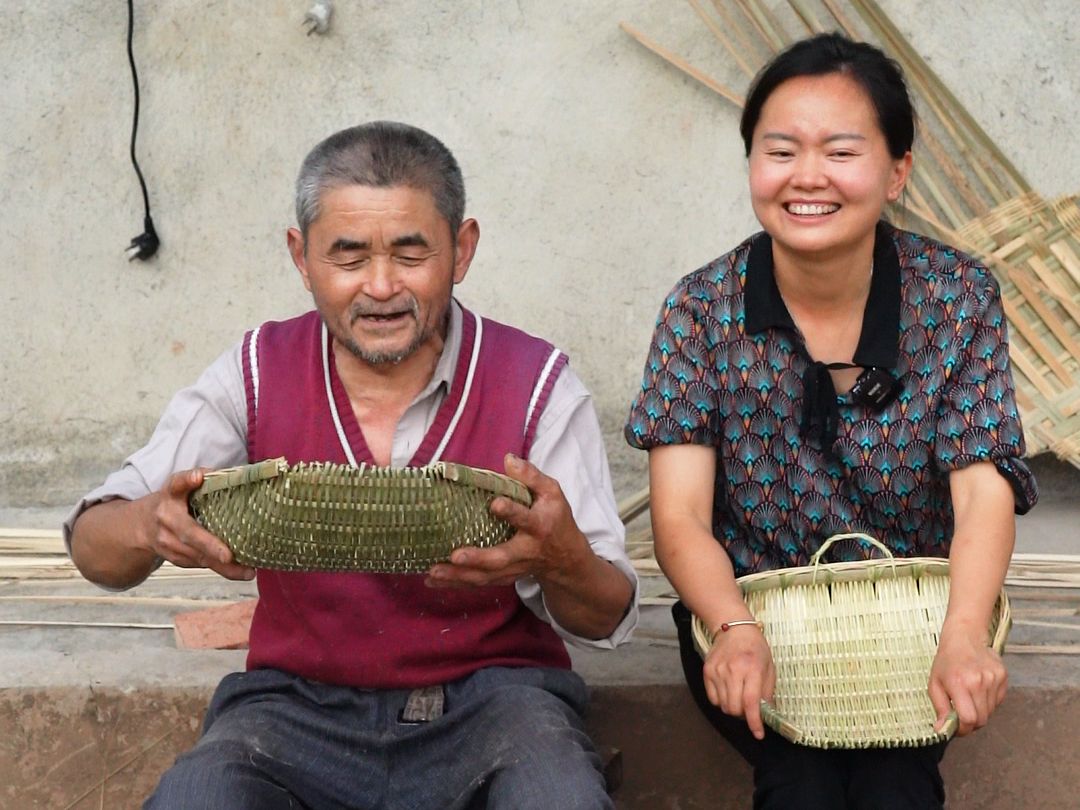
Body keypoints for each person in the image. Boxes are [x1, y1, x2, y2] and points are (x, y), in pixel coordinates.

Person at [67, 121, 638, 810]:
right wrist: (147, 525)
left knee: (559, 800)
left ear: (461, 250)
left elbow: (607, 615)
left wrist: (562, 557)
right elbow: (94, 548)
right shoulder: (253, 374)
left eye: (410, 252)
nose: (380, 286)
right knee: (199, 795)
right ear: (300, 257)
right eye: (347, 255)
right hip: (294, 710)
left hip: (498, 706)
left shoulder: (536, 383)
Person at [625, 33, 1037, 810]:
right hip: (748, 615)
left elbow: (983, 491)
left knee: (896, 786)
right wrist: (732, 627)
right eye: (780, 150)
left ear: (896, 171)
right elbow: (679, 515)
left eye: (841, 151)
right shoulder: (700, 309)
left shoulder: (956, 297)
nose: (807, 177)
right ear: (752, 162)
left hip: (912, 623)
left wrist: (963, 634)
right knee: (801, 785)